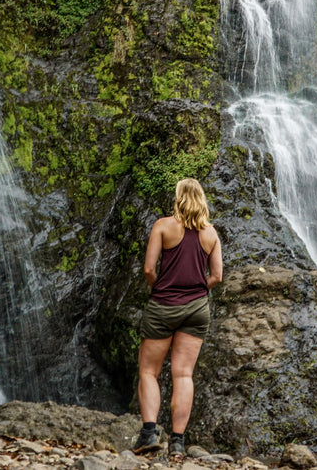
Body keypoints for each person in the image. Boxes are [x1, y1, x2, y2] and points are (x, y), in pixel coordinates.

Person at [132, 178, 224, 456]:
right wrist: (196, 289)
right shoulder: (211, 234)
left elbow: (149, 270)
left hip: (163, 305)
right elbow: (217, 277)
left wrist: (162, 286)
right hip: (196, 309)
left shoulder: (163, 226)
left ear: (178, 197)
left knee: (149, 371)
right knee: (183, 374)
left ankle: (149, 433)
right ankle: (177, 442)